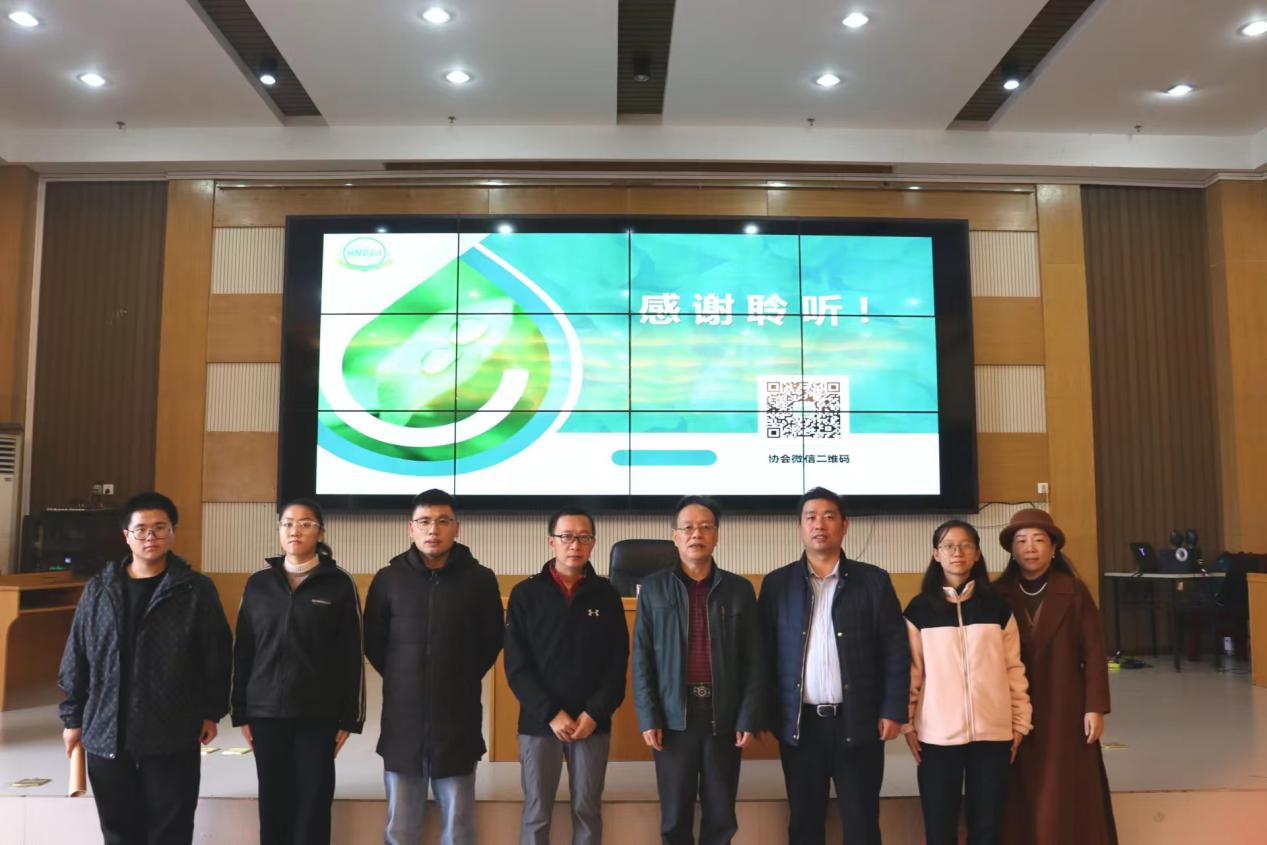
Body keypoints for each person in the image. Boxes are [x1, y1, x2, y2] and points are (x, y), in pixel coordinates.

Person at [58, 491, 232, 845]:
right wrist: (72, 718)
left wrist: (211, 711)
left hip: (172, 730)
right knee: (119, 831)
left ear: (173, 532)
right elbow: (77, 654)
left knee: (171, 829)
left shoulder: (195, 589)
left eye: (160, 528)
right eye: (141, 529)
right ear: (127, 535)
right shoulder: (99, 589)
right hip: (107, 729)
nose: (150, 536)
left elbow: (216, 654)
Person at [758, 487, 909, 845]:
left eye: (829, 516)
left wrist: (893, 710)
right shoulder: (777, 584)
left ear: (844, 525)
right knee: (804, 825)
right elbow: (764, 653)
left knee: (862, 825)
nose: (819, 525)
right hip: (801, 726)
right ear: (800, 527)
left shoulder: (874, 581)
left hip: (858, 721)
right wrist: (769, 715)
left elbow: (895, 650)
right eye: (810, 517)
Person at [363, 488, 504, 845]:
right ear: (410, 528)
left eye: (443, 521)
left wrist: (456, 675)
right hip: (403, 722)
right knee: (399, 829)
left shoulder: (480, 579)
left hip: (458, 721)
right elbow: (374, 643)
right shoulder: (388, 579)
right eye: (424, 521)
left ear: (456, 527)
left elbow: (490, 642)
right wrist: (405, 676)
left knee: (458, 828)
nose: (433, 530)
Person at [231, 497, 366, 844]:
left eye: (305, 523)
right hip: (265, 713)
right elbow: (243, 651)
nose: (295, 530)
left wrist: (350, 719)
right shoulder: (258, 584)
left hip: (317, 715)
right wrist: (241, 712)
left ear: (320, 533)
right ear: (279, 531)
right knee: (273, 803)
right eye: (288, 523)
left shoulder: (339, 584)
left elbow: (352, 655)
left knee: (313, 803)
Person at [632, 495, 764, 845]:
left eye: (705, 527)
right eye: (688, 528)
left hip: (724, 715)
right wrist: (648, 716)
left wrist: (748, 716)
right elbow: (642, 658)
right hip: (673, 717)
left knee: (721, 817)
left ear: (716, 535)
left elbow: (754, 660)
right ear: (674, 536)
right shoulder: (654, 589)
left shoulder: (738, 589)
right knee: (675, 817)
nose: (696, 535)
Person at [504, 506, 629, 845]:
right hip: (540, 723)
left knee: (587, 810)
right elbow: (516, 666)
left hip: (592, 723)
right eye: (567, 537)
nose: (575, 545)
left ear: (593, 543)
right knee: (536, 812)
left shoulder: (607, 594)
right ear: (551, 542)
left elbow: (617, 663)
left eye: (583, 537)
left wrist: (594, 713)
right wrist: (551, 713)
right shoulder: (525, 594)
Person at [902, 520, 1032, 845]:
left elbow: (1013, 668)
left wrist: (1020, 722)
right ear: (936, 554)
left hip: (993, 734)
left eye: (965, 545)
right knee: (939, 828)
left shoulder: (998, 608)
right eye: (948, 546)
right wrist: (907, 723)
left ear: (977, 554)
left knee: (987, 829)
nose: (957, 552)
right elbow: (911, 672)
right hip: (937, 737)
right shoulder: (919, 610)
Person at [994, 508, 1117, 845]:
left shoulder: (1074, 591)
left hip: (1065, 707)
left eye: (1038, 540)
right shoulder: (996, 594)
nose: (1030, 548)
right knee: (1018, 788)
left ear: (1053, 547)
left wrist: (1095, 707)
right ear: (1011, 549)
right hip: (1012, 709)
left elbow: (1094, 653)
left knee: (1062, 790)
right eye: (1021, 541)